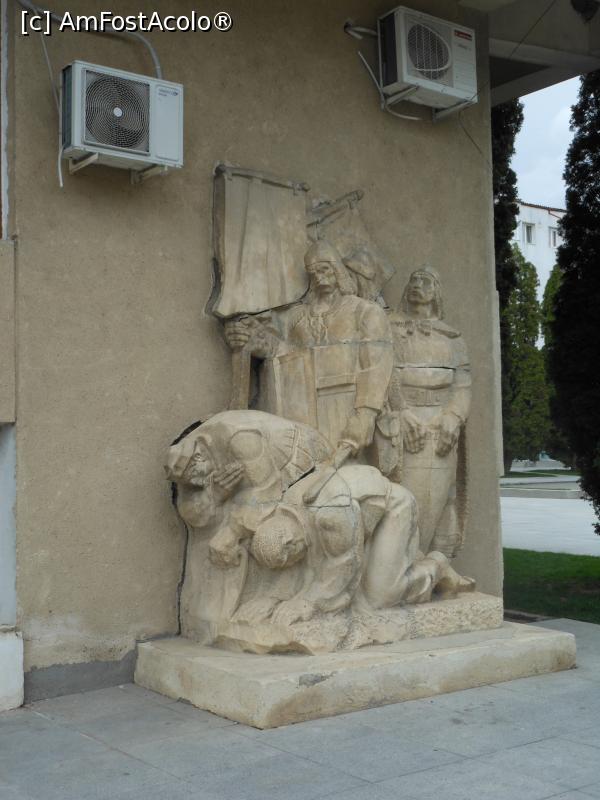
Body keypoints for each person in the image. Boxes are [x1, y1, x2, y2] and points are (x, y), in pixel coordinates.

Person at [224, 239, 393, 466]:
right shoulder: (297, 316)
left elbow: (376, 366)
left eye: (324, 269)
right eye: (313, 273)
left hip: (345, 407)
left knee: (348, 477)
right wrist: (248, 337)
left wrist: (366, 414)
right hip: (302, 410)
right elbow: (279, 350)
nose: (319, 278)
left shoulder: (365, 311)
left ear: (337, 269)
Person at [386, 267, 471, 557]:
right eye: (413, 280)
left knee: (442, 499)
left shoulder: (453, 338)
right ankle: (404, 565)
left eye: (425, 282)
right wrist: (401, 412)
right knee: (403, 501)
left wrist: (453, 417)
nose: (417, 285)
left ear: (436, 292)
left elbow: (462, 384)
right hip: (403, 424)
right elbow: (382, 374)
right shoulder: (388, 330)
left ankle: (435, 566)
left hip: (440, 423)